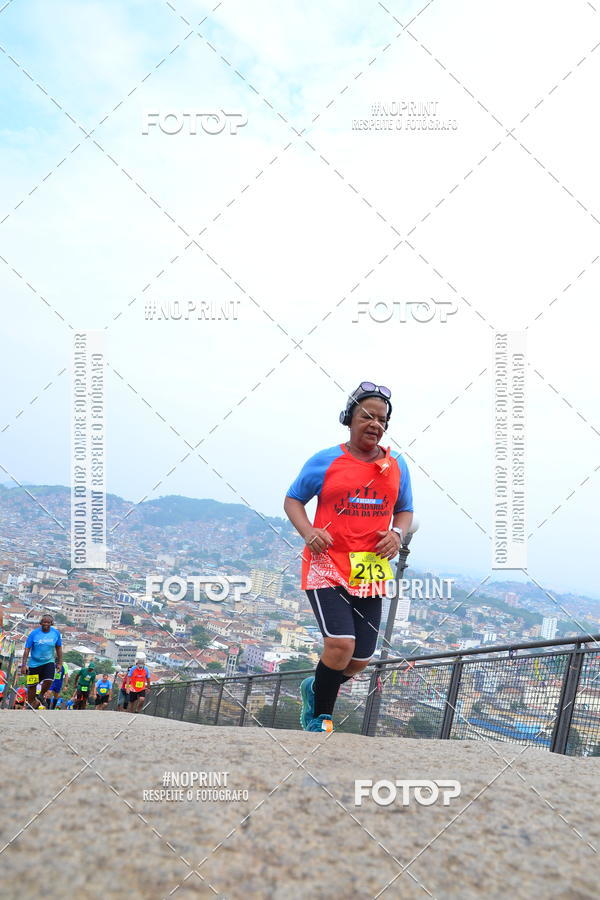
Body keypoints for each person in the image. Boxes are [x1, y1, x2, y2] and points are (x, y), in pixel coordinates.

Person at [284, 382, 413, 732]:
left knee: (358, 660)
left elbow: (405, 510)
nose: (375, 424)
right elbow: (293, 499)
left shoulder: (396, 466)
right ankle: (320, 717)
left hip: (368, 568)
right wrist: (309, 532)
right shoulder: (325, 460)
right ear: (349, 418)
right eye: (367, 416)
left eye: (382, 419)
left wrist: (397, 534)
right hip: (326, 562)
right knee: (340, 645)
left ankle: (315, 686)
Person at [21, 615, 63, 710]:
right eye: (44, 622)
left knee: (49, 680)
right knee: (32, 686)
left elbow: (59, 648)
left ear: (51, 624)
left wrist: (60, 663)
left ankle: (41, 694)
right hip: (34, 664)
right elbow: (27, 649)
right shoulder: (34, 634)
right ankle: (32, 703)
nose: (46, 624)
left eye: (48, 622)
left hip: (49, 662)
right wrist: (24, 665)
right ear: (40, 623)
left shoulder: (55, 633)